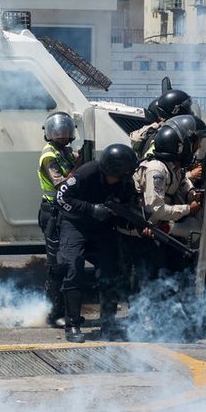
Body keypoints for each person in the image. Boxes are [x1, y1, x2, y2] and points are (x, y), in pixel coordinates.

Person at [55, 144, 140, 342]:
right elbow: (61, 197)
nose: (128, 177)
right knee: (73, 267)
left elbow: (128, 207)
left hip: (102, 228)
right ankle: (72, 325)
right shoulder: (87, 173)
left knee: (110, 271)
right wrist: (91, 209)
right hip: (75, 224)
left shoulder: (124, 184)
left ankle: (108, 325)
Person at [130, 124, 204, 288]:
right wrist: (188, 209)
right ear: (180, 147)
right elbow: (156, 210)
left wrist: (191, 192)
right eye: (194, 144)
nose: (197, 148)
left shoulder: (173, 166)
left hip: (159, 228)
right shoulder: (156, 170)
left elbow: (182, 181)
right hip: (145, 230)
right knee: (149, 280)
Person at [37, 112, 79, 327]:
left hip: (63, 211)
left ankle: (60, 311)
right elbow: (61, 184)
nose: (62, 135)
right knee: (57, 265)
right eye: (58, 132)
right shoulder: (49, 156)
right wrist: (79, 167)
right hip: (53, 213)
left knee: (65, 261)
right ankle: (53, 314)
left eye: (65, 132)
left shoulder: (66, 151)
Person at [130, 89, 194, 158]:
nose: (192, 112)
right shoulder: (165, 138)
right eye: (188, 108)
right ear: (178, 111)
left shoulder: (168, 132)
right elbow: (153, 160)